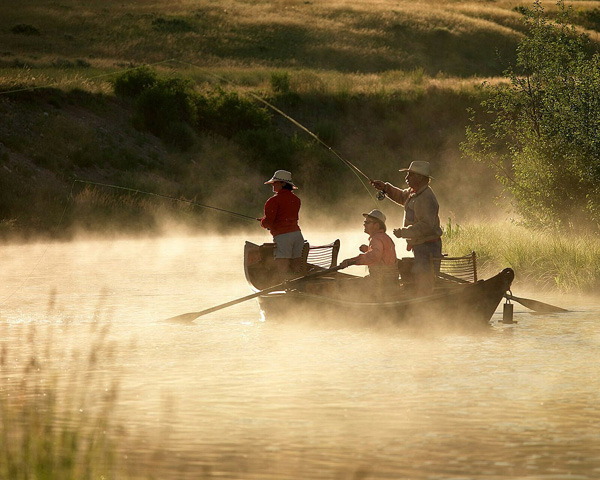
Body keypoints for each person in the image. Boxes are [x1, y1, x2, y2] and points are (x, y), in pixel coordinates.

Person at [370, 161, 443, 296]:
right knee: (419, 277)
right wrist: (385, 188)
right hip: (420, 245)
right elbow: (401, 196)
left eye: (409, 175)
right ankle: (421, 301)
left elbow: (426, 226)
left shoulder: (427, 198)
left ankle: (424, 303)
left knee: (424, 279)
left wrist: (404, 232)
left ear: (420, 178)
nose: (406, 178)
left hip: (428, 247)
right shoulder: (414, 193)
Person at [339, 209, 398, 298]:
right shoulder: (385, 237)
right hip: (391, 279)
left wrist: (350, 261)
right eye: (364, 222)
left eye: (367, 222)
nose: (364, 224)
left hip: (380, 281)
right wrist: (367, 249)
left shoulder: (376, 239)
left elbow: (374, 257)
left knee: (348, 286)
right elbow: (382, 254)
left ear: (377, 225)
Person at [259, 170, 305, 279]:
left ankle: (285, 286)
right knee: (296, 263)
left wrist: (262, 222)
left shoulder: (273, 201)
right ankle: (297, 285)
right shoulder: (296, 199)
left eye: (275, 182)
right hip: (298, 235)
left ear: (283, 184)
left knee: (282, 265)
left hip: (283, 237)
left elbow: (268, 222)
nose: (273, 185)